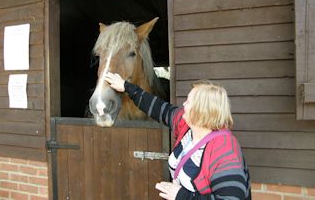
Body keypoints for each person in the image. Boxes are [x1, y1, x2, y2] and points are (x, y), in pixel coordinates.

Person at [105, 72, 251, 200]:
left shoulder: (224, 149)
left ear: (201, 110)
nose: (184, 104)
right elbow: (159, 109)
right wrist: (127, 87)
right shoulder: (187, 124)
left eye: (189, 101)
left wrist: (181, 196)